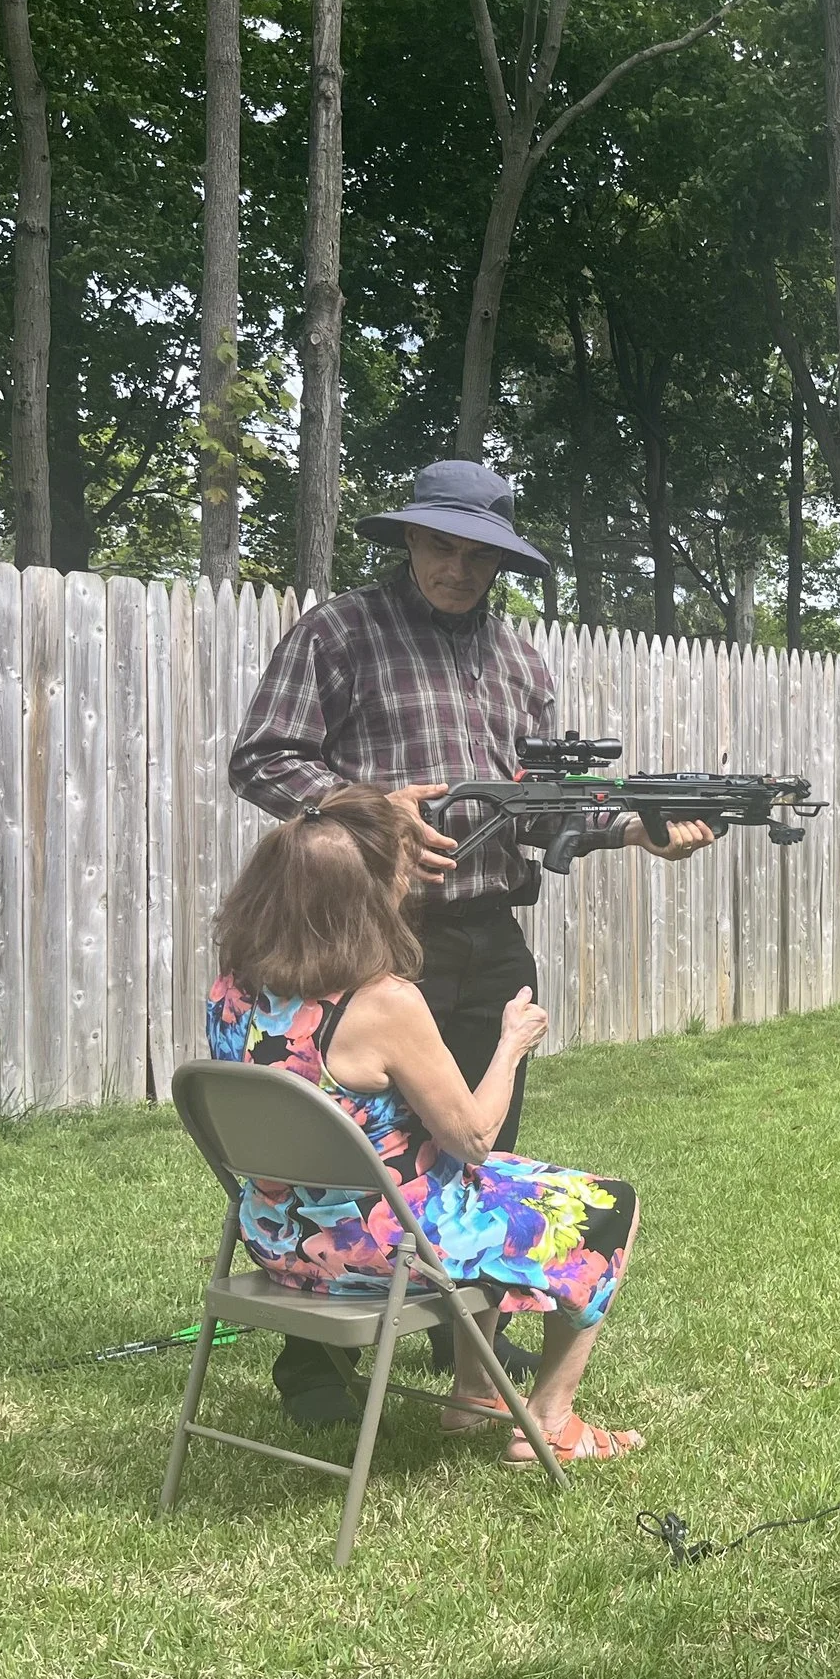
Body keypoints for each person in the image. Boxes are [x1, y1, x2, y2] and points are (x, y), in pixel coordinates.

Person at [230, 459, 714, 1425]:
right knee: (335, 1146)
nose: (455, 566)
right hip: (364, 935)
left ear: (501, 560)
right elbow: (261, 758)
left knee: (478, 1144)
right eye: (439, 544)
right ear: (406, 541)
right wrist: (368, 807)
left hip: (488, 934)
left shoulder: (522, 664)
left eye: (476, 552)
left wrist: (640, 829)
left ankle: (468, 1343)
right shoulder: (339, 631)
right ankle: (313, 1361)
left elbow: (542, 808)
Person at [206, 785, 642, 1467]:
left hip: (276, 1239)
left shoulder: (232, 989)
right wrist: (510, 1043)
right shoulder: (383, 1003)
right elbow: (472, 1136)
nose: (404, 888)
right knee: (607, 1204)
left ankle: (478, 1391)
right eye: (394, 878)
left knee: (494, 1181)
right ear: (360, 900)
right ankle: (552, 1421)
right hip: (381, 1253)